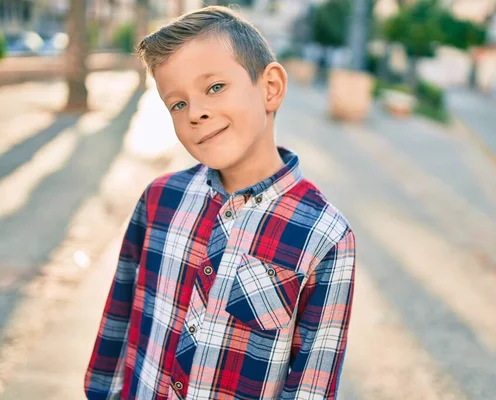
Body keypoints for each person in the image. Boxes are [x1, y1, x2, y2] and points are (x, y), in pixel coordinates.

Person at [84, 5, 355, 399]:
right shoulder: (159, 200)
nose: (196, 113)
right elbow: (118, 320)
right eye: (177, 104)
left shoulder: (325, 236)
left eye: (214, 88)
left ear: (271, 88)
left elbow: (312, 383)